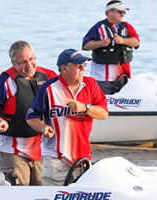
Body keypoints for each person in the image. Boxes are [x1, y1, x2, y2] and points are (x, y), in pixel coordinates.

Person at [25, 48, 108, 186]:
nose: (82, 69)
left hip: (83, 160)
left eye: (84, 65)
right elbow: (31, 117)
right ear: (64, 68)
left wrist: (84, 108)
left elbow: (104, 114)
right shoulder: (48, 89)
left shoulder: (91, 84)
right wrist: (43, 127)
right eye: (78, 66)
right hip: (56, 160)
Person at [0, 40, 57, 186]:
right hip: (13, 153)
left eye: (31, 59)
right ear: (14, 64)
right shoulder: (6, 82)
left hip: (42, 153)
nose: (29, 65)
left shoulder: (49, 76)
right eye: (23, 62)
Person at [82, 0, 140, 94]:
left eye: (124, 12)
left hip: (122, 77)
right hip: (101, 78)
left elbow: (136, 42)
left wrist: (122, 40)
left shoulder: (127, 26)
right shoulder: (98, 27)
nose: (122, 14)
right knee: (101, 104)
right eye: (120, 11)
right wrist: (101, 43)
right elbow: (85, 45)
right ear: (110, 12)